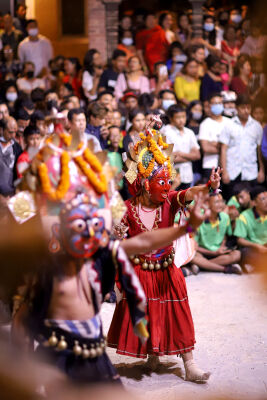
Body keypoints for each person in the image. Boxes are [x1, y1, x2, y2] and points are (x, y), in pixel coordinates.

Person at [108, 117, 222, 381]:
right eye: (162, 181)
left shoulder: (171, 199)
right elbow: (117, 237)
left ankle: (190, 365)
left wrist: (209, 187)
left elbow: (191, 192)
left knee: (177, 312)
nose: (168, 186)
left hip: (167, 268)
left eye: (168, 181)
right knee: (148, 313)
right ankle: (153, 356)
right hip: (140, 270)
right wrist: (117, 234)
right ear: (146, 184)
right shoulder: (127, 207)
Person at [220, 94, 264, 200]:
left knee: (251, 203)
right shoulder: (229, 125)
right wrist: (224, 171)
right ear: (237, 108)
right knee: (232, 203)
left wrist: (261, 170)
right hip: (232, 172)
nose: (246, 110)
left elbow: (259, 151)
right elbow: (223, 149)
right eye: (243, 107)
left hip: (251, 172)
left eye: (248, 107)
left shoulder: (256, 126)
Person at [191, 193, 242, 274]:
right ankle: (224, 269)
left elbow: (225, 235)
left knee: (237, 254)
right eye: (216, 202)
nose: (220, 205)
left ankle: (202, 265)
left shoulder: (225, 217)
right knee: (193, 257)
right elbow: (195, 246)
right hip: (203, 252)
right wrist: (213, 252)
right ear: (207, 204)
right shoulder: (200, 218)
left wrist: (222, 246)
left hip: (218, 253)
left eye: (222, 202)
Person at [162, 105, 200, 189]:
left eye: (183, 117)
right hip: (173, 176)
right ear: (171, 119)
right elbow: (168, 158)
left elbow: (197, 155)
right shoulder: (166, 132)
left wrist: (180, 153)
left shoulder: (189, 132)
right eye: (178, 117)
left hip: (188, 175)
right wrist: (190, 156)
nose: (181, 120)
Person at [234, 186, 267, 269]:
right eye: (263, 199)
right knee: (245, 253)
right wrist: (256, 246)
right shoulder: (244, 216)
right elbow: (240, 240)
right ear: (254, 203)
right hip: (254, 248)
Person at [199, 92, 229, 178]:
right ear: (209, 105)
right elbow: (205, 148)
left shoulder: (229, 122)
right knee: (213, 191)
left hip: (229, 165)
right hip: (210, 166)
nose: (218, 105)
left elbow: (236, 145)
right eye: (215, 103)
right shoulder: (205, 124)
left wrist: (214, 144)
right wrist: (225, 148)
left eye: (220, 103)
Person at [0, 117, 22, 196]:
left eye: (15, 132)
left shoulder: (17, 148)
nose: (13, 135)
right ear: (1, 130)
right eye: (10, 132)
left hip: (10, 193)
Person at [186, 100, 203, 183]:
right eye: (195, 109)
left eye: (200, 110)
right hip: (189, 166)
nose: (198, 112)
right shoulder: (186, 128)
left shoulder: (203, 127)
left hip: (201, 167)